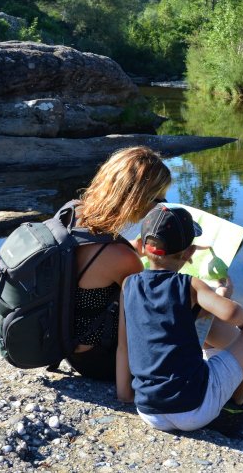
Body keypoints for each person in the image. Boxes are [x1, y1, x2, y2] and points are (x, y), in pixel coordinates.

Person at [116, 203, 243, 433]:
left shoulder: (129, 285)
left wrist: (125, 395)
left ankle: (132, 394)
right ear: (189, 254)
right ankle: (237, 404)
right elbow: (231, 314)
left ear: (141, 246)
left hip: (149, 411)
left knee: (194, 326)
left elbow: (123, 346)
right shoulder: (190, 285)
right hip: (194, 409)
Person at [66, 146, 172, 381]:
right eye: (159, 199)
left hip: (70, 349)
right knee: (191, 302)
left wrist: (132, 251)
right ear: (137, 200)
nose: (163, 206)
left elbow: (97, 268)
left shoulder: (73, 214)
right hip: (101, 360)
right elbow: (153, 313)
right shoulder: (121, 257)